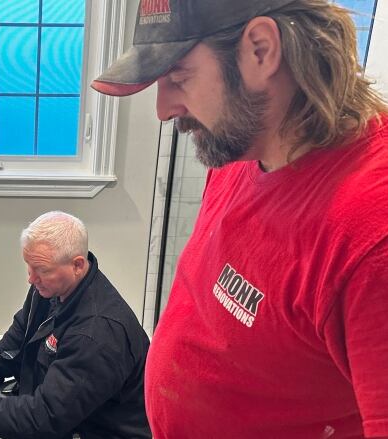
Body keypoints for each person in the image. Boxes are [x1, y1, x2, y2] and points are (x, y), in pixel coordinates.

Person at [91, 0, 388, 438]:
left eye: (178, 77)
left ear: (261, 50)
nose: (163, 109)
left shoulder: (371, 233)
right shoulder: (239, 150)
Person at [0, 211, 151, 438]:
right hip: (69, 415)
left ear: (77, 265)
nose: (31, 278)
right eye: (29, 266)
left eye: (41, 270)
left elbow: (46, 417)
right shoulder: (53, 288)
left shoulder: (95, 334)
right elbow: (21, 333)